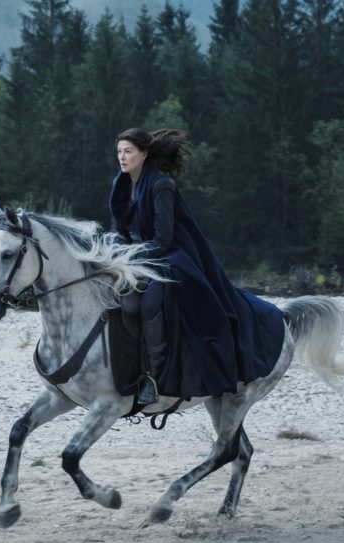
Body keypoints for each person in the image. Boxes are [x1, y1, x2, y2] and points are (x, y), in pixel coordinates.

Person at [109, 128, 286, 406]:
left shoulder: (161, 185)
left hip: (170, 256)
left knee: (151, 302)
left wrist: (132, 256)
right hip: (135, 254)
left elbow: (163, 238)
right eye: (119, 151)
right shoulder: (120, 185)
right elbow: (120, 228)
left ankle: (152, 376)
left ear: (143, 154)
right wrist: (115, 250)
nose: (122, 157)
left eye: (128, 151)